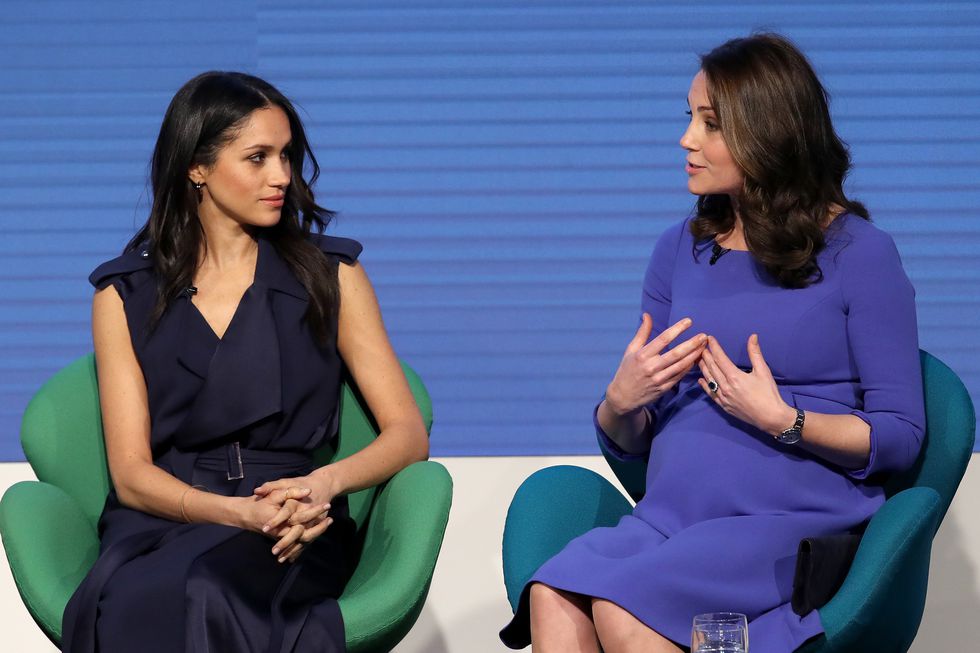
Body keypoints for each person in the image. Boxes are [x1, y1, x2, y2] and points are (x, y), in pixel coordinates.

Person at [500, 33, 925, 653]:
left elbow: (901, 434)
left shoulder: (860, 254)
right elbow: (633, 438)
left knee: (625, 609)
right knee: (552, 593)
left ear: (768, 132)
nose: (686, 140)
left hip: (783, 526)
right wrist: (620, 402)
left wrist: (783, 419)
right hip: (671, 518)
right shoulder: (680, 248)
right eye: (690, 118)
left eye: (711, 124)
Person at [61, 71, 429, 652]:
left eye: (286, 156)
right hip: (168, 518)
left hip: (290, 519)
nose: (281, 176)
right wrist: (232, 514)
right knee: (149, 595)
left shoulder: (332, 275)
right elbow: (130, 474)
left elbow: (407, 434)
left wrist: (321, 486)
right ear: (197, 167)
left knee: (208, 587)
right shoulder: (123, 294)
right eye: (257, 158)